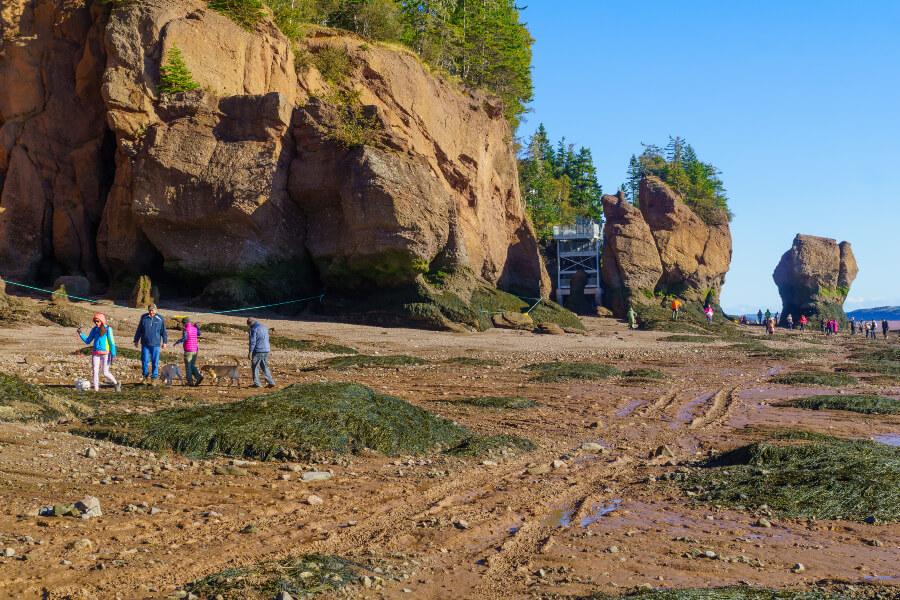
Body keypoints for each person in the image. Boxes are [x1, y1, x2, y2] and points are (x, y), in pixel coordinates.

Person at [77, 313, 121, 392]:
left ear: (102, 321)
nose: (96, 323)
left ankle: (116, 383)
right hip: (95, 353)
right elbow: (88, 341)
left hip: (106, 354)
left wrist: (113, 354)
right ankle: (96, 390)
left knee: (105, 372)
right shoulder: (94, 330)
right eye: (95, 321)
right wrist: (80, 334)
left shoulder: (108, 329)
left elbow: (112, 342)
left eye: (98, 321)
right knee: (95, 371)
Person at [134, 303, 168, 385]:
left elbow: (164, 331)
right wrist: (136, 340)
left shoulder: (160, 318)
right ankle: (145, 377)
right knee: (145, 361)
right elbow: (139, 330)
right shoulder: (144, 318)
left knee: (155, 362)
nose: (151, 312)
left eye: (152, 310)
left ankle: (154, 378)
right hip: (145, 344)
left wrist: (165, 342)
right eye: (150, 310)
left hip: (156, 344)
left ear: (156, 310)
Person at [174, 317, 204, 386]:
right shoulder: (194, 328)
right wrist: (197, 326)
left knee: (188, 367)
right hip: (195, 350)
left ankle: (190, 382)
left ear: (184, 323)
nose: (182, 325)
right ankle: (198, 377)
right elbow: (199, 333)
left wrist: (177, 342)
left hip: (188, 350)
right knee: (192, 365)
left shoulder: (186, 330)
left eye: (182, 324)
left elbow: (185, 338)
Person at [247, 317, 276, 388]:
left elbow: (253, 342)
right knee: (264, 367)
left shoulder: (254, 329)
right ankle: (271, 382)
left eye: (248, 325)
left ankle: (257, 384)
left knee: (255, 367)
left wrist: (250, 352)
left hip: (258, 350)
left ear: (250, 324)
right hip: (266, 350)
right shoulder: (264, 327)